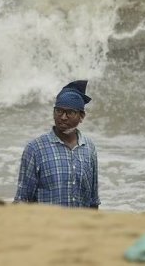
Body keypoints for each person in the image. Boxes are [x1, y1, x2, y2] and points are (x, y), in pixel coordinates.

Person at [14, 80, 100, 208]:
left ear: (81, 116)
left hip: (80, 226)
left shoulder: (89, 148)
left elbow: (93, 200)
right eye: (59, 111)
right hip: (48, 226)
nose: (63, 117)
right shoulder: (36, 149)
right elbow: (23, 199)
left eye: (70, 112)